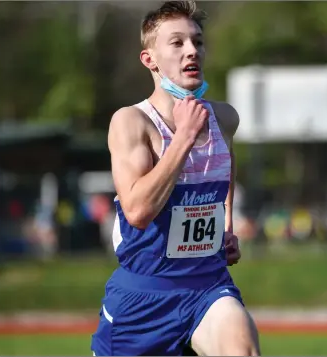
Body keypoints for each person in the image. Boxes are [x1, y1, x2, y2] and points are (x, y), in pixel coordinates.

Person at [90, 1, 261, 355]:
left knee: (241, 347)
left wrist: (226, 226)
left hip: (208, 287)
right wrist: (182, 137)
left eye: (197, 42)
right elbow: (137, 211)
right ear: (149, 59)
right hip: (144, 298)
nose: (191, 51)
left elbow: (224, 171)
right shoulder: (131, 123)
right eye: (177, 43)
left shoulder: (224, 119)